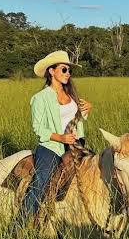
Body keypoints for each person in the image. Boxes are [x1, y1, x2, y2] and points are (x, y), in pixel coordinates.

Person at [22, 50, 92, 218]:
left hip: (76, 144)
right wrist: (60, 137)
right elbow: (38, 128)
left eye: (69, 70)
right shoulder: (40, 98)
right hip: (51, 146)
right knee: (41, 180)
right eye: (64, 69)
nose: (68, 74)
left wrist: (87, 110)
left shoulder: (71, 95)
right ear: (51, 72)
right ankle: (20, 223)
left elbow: (75, 119)